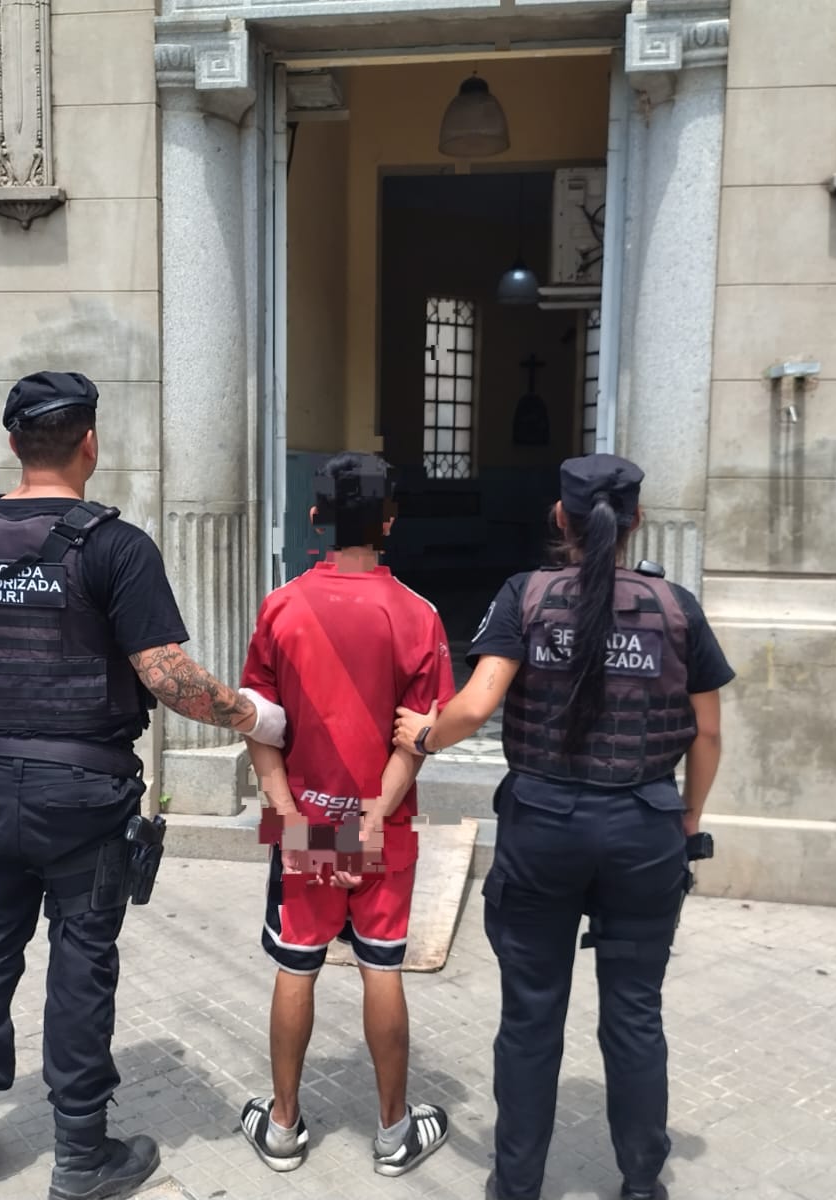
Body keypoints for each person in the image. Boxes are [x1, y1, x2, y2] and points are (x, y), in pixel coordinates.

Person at [0, 371, 286, 1200]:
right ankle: (80, 1157)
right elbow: (166, 676)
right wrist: (254, 716)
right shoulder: (115, 547)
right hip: (82, 797)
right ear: (90, 444)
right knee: (80, 968)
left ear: (13, 445)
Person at [393, 453, 734, 1200]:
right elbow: (707, 734)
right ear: (637, 519)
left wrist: (422, 735)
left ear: (560, 517)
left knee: (530, 1019)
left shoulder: (526, 595)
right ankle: (641, 1183)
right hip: (644, 829)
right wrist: (689, 818)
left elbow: (475, 707)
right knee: (635, 1016)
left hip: (543, 829)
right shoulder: (677, 608)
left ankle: (517, 1186)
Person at [235, 452, 456, 1179]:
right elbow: (417, 737)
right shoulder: (419, 615)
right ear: (389, 522)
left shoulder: (281, 606)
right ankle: (394, 1133)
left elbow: (258, 722)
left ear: (315, 518)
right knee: (380, 967)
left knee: (296, 966)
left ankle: (283, 1127)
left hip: (306, 820)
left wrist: (287, 812)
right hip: (379, 823)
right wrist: (374, 814)